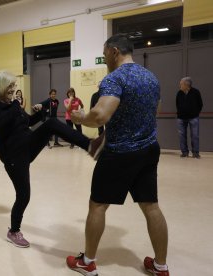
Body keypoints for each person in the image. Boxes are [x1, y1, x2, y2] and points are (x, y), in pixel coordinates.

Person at [67, 34, 169, 276]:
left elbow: (101, 115)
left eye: (105, 55)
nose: (105, 61)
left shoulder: (115, 78)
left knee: (98, 205)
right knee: (151, 206)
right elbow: (157, 109)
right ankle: (160, 266)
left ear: (114, 51)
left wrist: (80, 117)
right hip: (149, 149)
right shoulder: (150, 77)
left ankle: (88, 262)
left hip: (120, 153)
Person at [0, 70, 104, 248]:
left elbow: (28, 122)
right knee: (23, 196)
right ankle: (14, 231)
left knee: (52, 123)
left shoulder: (13, 105)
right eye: (10, 86)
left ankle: (90, 145)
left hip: (28, 145)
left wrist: (39, 114)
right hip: (13, 157)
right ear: (0, 86)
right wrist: (14, 106)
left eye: (13, 85)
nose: (13, 88)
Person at [176, 77, 203, 158]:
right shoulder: (179, 93)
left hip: (193, 117)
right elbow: (177, 104)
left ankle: (195, 153)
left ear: (186, 85)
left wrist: (195, 113)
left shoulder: (196, 92)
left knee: (195, 135)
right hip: (181, 118)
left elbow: (200, 104)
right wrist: (180, 112)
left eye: (181, 84)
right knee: (182, 135)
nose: (180, 85)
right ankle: (184, 152)